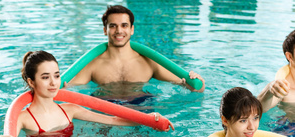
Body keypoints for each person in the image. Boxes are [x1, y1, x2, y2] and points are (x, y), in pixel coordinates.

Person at [0, 51, 173, 137]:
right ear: (31, 82)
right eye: (45, 77)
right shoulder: (24, 118)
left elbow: (112, 120)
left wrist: (149, 120)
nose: (53, 83)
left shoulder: (70, 110)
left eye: (56, 75)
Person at [65, 5, 205, 93]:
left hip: (143, 111)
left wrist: (197, 82)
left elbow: (191, 87)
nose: (119, 31)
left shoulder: (148, 62)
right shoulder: (93, 64)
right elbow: (65, 87)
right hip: (105, 113)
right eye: (113, 26)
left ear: (132, 29)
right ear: (104, 30)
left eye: (124, 25)